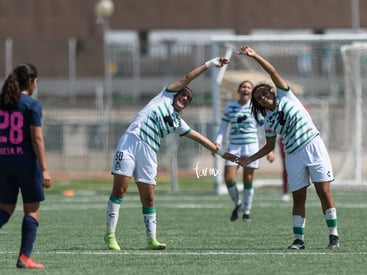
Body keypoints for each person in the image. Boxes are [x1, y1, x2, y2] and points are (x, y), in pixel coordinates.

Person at [104, 57, 236, 251]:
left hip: (149, 153)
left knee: (148, 198)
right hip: (130, 143)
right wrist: (210, 64)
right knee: (120, 191)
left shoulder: (177, 122)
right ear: (175, 94)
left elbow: (199, 137)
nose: (185, 99)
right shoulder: (164, 96)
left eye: (188, 99)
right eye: (183, 95)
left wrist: (222, 153)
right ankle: (110, 235)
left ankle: (151, 240)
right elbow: (187, 77)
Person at [237, 45, 339, 249]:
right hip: (293, 155)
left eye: (265, 93)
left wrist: (255, 55)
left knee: (323, 192)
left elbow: (272, 71)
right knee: (298, 196)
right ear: (258, 103)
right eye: (259, 98)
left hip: (313, 146)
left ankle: (333, 235)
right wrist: (250, 158)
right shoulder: (268, 121)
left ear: (272, 91)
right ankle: (299, 240)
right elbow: (269, 146)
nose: (263, 97)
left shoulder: (286, 96)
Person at [0, 64, 52, 269]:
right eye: (36, 81)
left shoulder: (3, 102)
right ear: (30, 82)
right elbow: (36, 138)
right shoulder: (32, 105)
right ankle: (24, 257)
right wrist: (45, 168)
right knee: (31, 210)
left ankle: (24, 257)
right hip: (26, 164)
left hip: (3, 160)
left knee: (5, 208)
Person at [215, 80, 274, 222]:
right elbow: (223, 126)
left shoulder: (256, 107)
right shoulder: (230, 107)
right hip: (234, 146)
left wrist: (268, 149)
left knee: (248, 179)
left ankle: (247, 211)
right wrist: (217, 141)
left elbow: (262, 128)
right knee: (228, 178)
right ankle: (238, 204)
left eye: (248, 87)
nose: (245, 89)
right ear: (239, 90)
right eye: (243, 86)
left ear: (252, 92)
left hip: (251, 147)